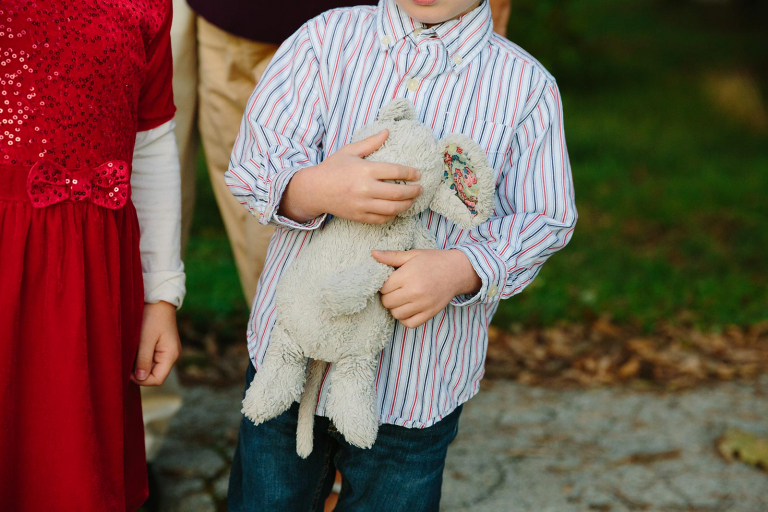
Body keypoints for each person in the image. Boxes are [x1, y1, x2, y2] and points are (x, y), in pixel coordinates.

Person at [224, 0, 576, 509]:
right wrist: (315, 188)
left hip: (418, 380)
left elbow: (544, 217)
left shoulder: (524, 86)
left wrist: (462, 269)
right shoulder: (327, 39)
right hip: (292, 354)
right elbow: (255, 161)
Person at [0, 1, 185, 510]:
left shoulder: (143, 6)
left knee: (68, 464)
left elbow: (151, 143)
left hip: (87, 279)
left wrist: (162, 294)